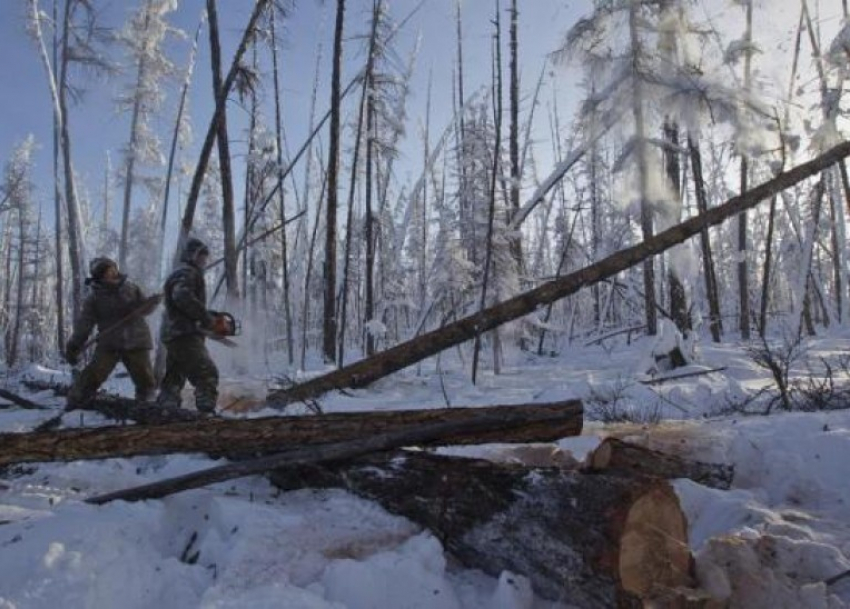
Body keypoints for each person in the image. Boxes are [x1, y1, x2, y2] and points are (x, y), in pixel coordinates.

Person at [64, 257, 160, 409]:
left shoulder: (131, 288)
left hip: (137, 339)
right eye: (107, 272)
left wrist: (151, 303)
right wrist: (75, 344)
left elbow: (144, 309)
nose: (112, 273)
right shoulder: (94, 298)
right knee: (94, 373)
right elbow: (85, 323)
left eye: (112, 269)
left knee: (145, 378)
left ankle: (147, 406)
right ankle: (76, 400)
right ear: (99, 276)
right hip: (110, 343)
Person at [156, 237, 220, 414]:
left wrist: (205, 317)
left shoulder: (181, 272)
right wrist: (205, 318)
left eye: (205, 258)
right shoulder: (187, 272)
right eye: (201, 257)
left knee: (175, 376)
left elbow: (183, 300)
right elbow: (181, 296)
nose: (204, 261)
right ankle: (206, 411)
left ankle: (166, 408)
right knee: (206, 372)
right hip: (184, 333)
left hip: (174, 333)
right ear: (192, 255)